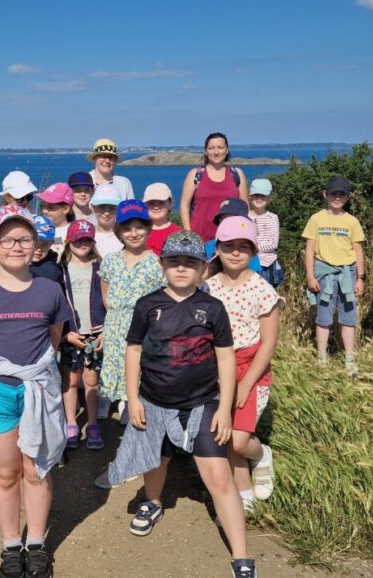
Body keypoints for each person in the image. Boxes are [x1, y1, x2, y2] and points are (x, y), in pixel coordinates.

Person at [95, 230, 257, 578]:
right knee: (156, 458)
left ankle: (242, 555)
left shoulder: (212, 307)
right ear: (162, 265)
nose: (181, 269)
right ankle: (152, 502)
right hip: (154, 401)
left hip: (202, 402)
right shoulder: (148, 305)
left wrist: (226, 408)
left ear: (202, 267)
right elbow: (134, 350)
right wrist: (133, 398)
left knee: (217, 474)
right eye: (173, 262)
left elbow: (226, 359)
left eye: (190, 262)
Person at [0, 205, 72, 578]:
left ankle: (35, 543)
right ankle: (9, 546)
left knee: (37, 471)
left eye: (23, 238)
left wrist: (31, 374)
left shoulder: (50, 291)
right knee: (5, 473)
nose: (16, 246)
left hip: (38, 392)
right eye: (7, 239)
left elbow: (53, 341)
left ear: (35, 243)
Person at [205, 216, 282, 509]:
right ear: (218, 249)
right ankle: (245, 493)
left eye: (243, 246)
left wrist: (247, 382)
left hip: (250, 368)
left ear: (252, 251)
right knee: (225, 435)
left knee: (238, 439)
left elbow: (269, 342)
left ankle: (261, 454)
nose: (235, 252)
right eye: (228, 246)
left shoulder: (262, 289)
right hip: (216, 369)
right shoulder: (208, 287)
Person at [98, 199, 165, 422]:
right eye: (127, 228)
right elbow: (106, 297)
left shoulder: (157, 264)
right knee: (117, 375)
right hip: (116, 328)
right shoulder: (110, 261)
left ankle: (135, 417)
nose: (133, 233)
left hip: (144, 332)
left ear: (148, 228)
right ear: (119, 231)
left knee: (139, 376)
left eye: (139, 227)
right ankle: (123, 411)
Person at [302, 176, 365, 376]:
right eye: (333, 193)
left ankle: (349, 358)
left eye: (341, 194)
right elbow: (310, 250)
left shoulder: (352, 221)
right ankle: (322, 357)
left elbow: (358, 250)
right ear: (325, 194)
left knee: (348, 318)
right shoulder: (316, 218)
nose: (337, 197)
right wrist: (310, 276)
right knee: (323, 317)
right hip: (324, 273)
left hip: (348, 273)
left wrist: (360, 278)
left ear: (348, 196)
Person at [59, 219, 106, 450]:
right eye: (78, 239)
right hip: (71, 333)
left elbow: (109, 302)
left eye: (87, 239)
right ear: (69, 241)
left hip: (95, 332)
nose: (83, 243)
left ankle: (94, 424)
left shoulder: (101, 267)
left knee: (91, 381)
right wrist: (65, 334)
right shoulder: (60, 269)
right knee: (71, 379)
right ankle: (71, 424)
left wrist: (106, 330)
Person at [180, 132, 248, 242]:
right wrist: (188, 234)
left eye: (220, 147)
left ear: (227, 150)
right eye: (211, 148)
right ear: (205, 151)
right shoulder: (195, 175)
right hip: (199, 239)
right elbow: (184, 205)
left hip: (231, 239)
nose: (216, 152)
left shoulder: (236, 174)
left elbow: (244, 207)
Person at [204, 199, 262, 278]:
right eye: (221, 220)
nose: (225, 223)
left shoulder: (248, 252)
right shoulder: (208, 247)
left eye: (230, 220)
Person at [248, 178, 283, 287]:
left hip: (266, 265)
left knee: (266, 298)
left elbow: (273, 243)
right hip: (247, 263)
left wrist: (252, 247)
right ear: (250, 197)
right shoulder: (244, 217)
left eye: (263, 196)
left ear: (269, 198)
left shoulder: (272, 217)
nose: (259, 198)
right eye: (256, 195)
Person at [143, 182, 181, 255]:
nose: (156, 207)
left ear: (170, 204)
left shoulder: (178, 234)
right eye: (151, 203)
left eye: (161, 202)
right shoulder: (139, 232)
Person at [37, 182, 74, 258]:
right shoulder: (37, 227)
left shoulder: (72, 231)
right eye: (43, 206)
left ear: (65, 209)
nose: (45, 211)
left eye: (51, 208)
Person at [91, 184, 124, 258]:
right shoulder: (87, 235)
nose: (106, 213)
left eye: (112, 208)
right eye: (101, 207)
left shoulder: (126, 235)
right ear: (92, 207)